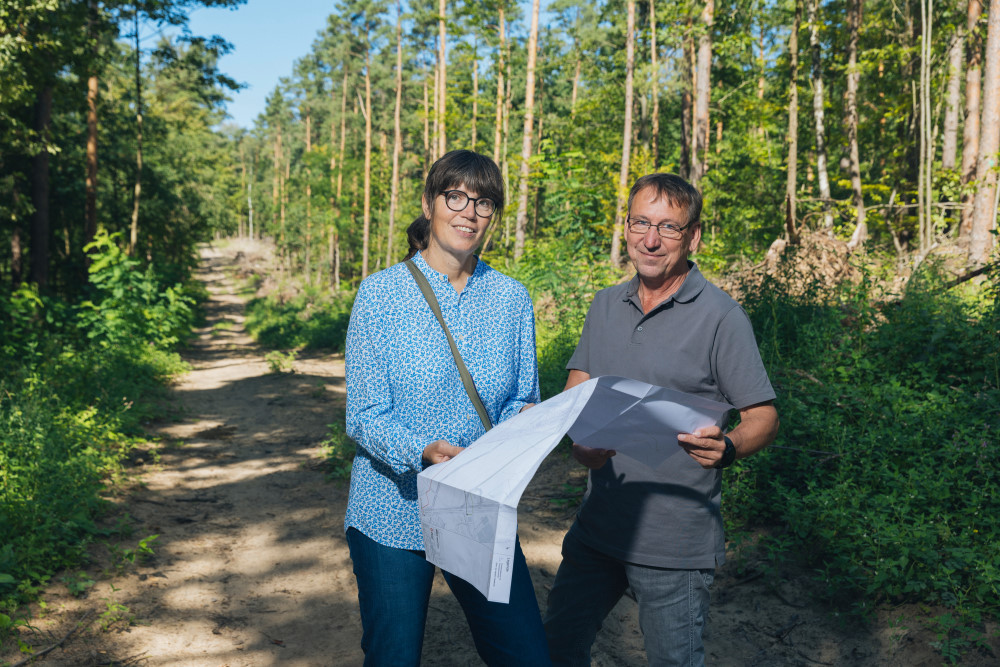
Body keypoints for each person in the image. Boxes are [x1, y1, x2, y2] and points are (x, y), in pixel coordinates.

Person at [543, 173, 780, 666]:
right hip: (598, 530)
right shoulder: (606, 304)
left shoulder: (721, 316)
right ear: (626, 228)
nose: (650, 240)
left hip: (675, 544)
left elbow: (763, 416)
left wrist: (730, 446)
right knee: (554, 650)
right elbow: (576, 395)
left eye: (668, 228)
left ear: (693, 237)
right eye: (641, 223)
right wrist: (579, 443)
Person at [344, 149, 551, 666]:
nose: (468, 211)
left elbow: (523, 395)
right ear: (429, 203)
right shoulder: (379, 295)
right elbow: (364, 414)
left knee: (523, 654)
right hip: (392, 511)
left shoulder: (511, 298)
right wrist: (423, 451)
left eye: (483, 202)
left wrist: (526, 425)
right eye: (454, 196)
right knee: (393, 656)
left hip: (477, 507)